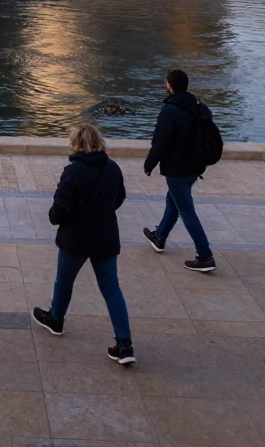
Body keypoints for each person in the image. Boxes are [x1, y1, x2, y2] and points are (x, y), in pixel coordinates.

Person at [32, 121, 135, 365]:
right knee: (111, 289)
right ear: (99, 142)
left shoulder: (73, 171)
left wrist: (55, 218)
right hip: (105, 236)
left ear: (76, 144)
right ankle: (124, 343)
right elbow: (119, 197)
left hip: (76, 238)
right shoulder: (112, 168)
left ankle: (56, 319)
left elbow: (61, 207)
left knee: (64, 280)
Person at [143, 68, 216, 272]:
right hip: (195, 167)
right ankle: (159, 238)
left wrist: (150, 164)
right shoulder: (198, 107)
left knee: (186, 210)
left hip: (177, 169)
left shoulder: (170, 111)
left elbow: (160, 142)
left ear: (170, 85)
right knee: (173, 201)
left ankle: (205, 256)